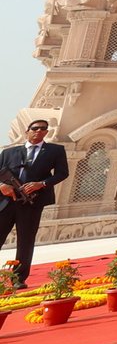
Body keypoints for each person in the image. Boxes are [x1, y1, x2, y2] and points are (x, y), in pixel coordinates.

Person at [0, 120, 70, 286]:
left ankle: (18, 279)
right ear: (27, 131)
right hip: (6, 202)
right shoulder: (9, 152)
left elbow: (62, 173)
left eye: (43, 129)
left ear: (46, 132)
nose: (38, 131)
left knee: (26, 241)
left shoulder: (55, 150)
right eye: (35, 128)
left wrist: (42, 184)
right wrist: (2, 186)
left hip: (31, 203)